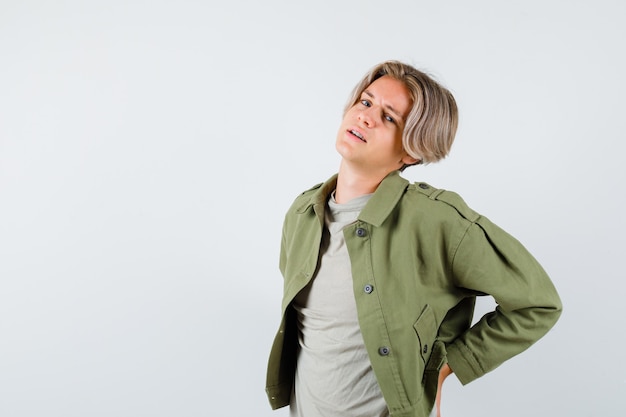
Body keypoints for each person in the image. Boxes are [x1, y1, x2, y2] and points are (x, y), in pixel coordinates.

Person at [265, 60, 562, 417]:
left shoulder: (435, 220)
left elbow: (538, 304)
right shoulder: (302, 214)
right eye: (366, 102)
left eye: (389, 118)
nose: (366, 117)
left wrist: (447, 367)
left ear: (411, 151)